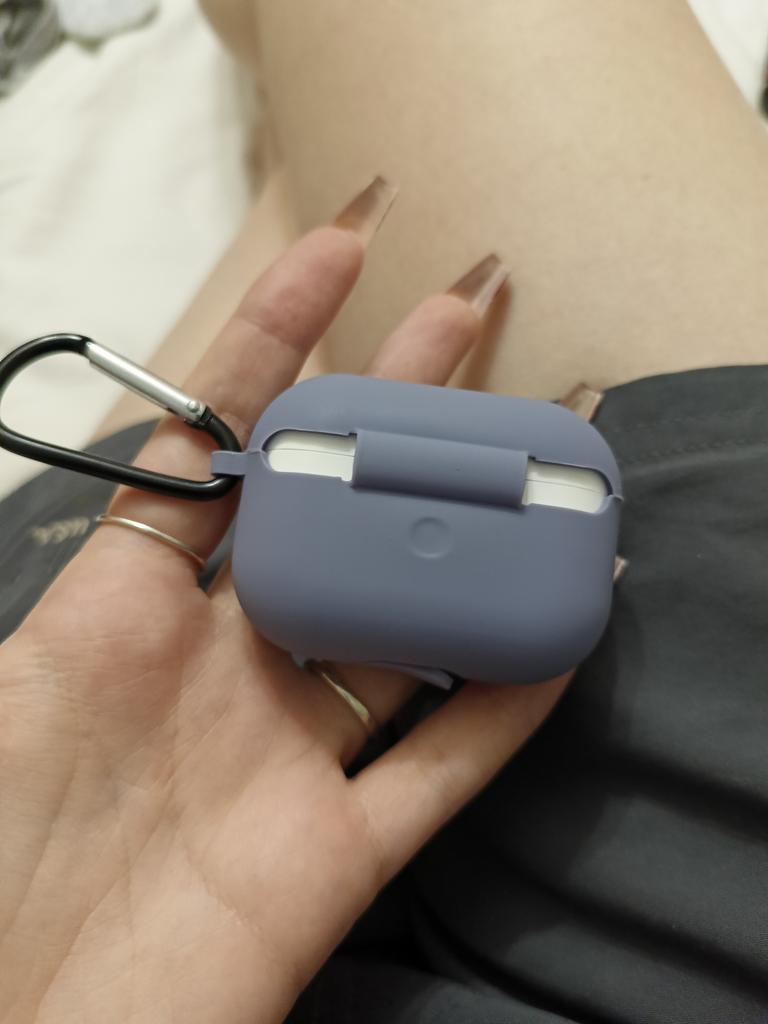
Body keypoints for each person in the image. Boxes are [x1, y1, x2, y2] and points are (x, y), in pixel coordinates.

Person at [0, 2, 766, 1021]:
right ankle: (273, 98)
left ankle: (271, 106)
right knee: (320, 161)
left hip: (84, 662)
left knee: (307, 206)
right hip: (685, 805)